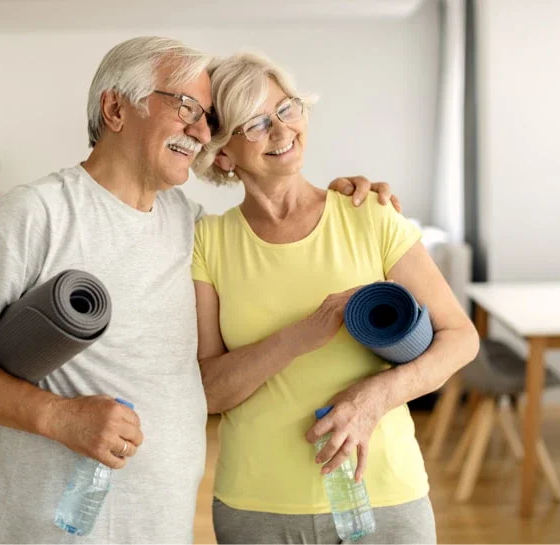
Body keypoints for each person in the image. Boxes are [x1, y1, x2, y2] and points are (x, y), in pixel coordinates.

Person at [0, 37, 394, 544]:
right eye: (185, 106)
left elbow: (273, 237)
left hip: (162, 523)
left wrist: (334, 199)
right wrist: (58, 417)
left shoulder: (190, 226)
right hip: (56, 525)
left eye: (207, 117)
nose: (201, 131)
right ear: (116, 108)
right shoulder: (37, 214)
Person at [191, 52, 480, 544]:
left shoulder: (369, 214)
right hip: (258, 507)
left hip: (385, 495)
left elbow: (461, 338)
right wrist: (300, 336)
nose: (282, 132)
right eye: (255, 123)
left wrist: (376, 397)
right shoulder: (208, 242)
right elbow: (209, 390)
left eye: (287, 109)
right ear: (222, 153)